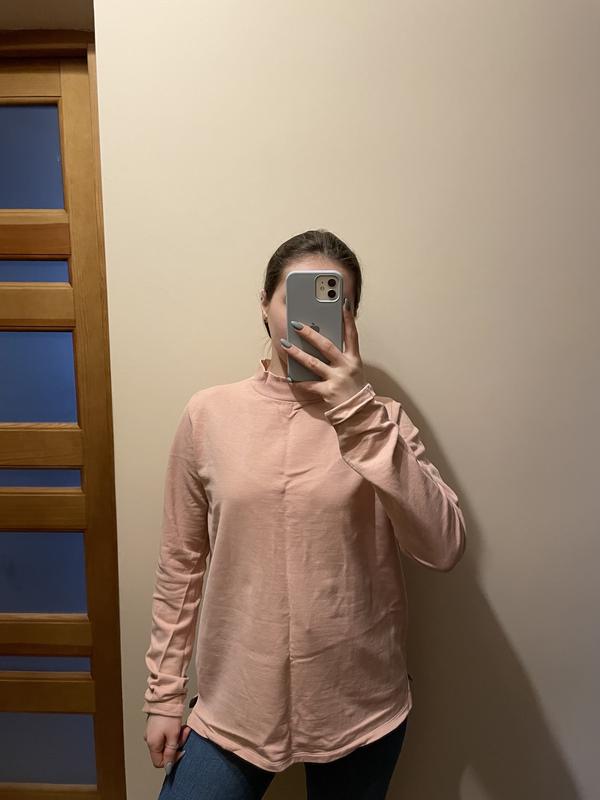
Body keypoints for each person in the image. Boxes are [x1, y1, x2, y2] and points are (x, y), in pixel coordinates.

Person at [143, 229, 467, 799]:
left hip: (360, 707)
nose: (312, 319)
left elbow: (443, 546)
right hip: (234, 706)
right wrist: (164, 696)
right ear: (264, 305)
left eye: (336, 302)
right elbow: (181, 564)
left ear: (351, 320)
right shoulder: (208, 415)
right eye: (295, 297)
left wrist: (358, 414)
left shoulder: (383, 419)